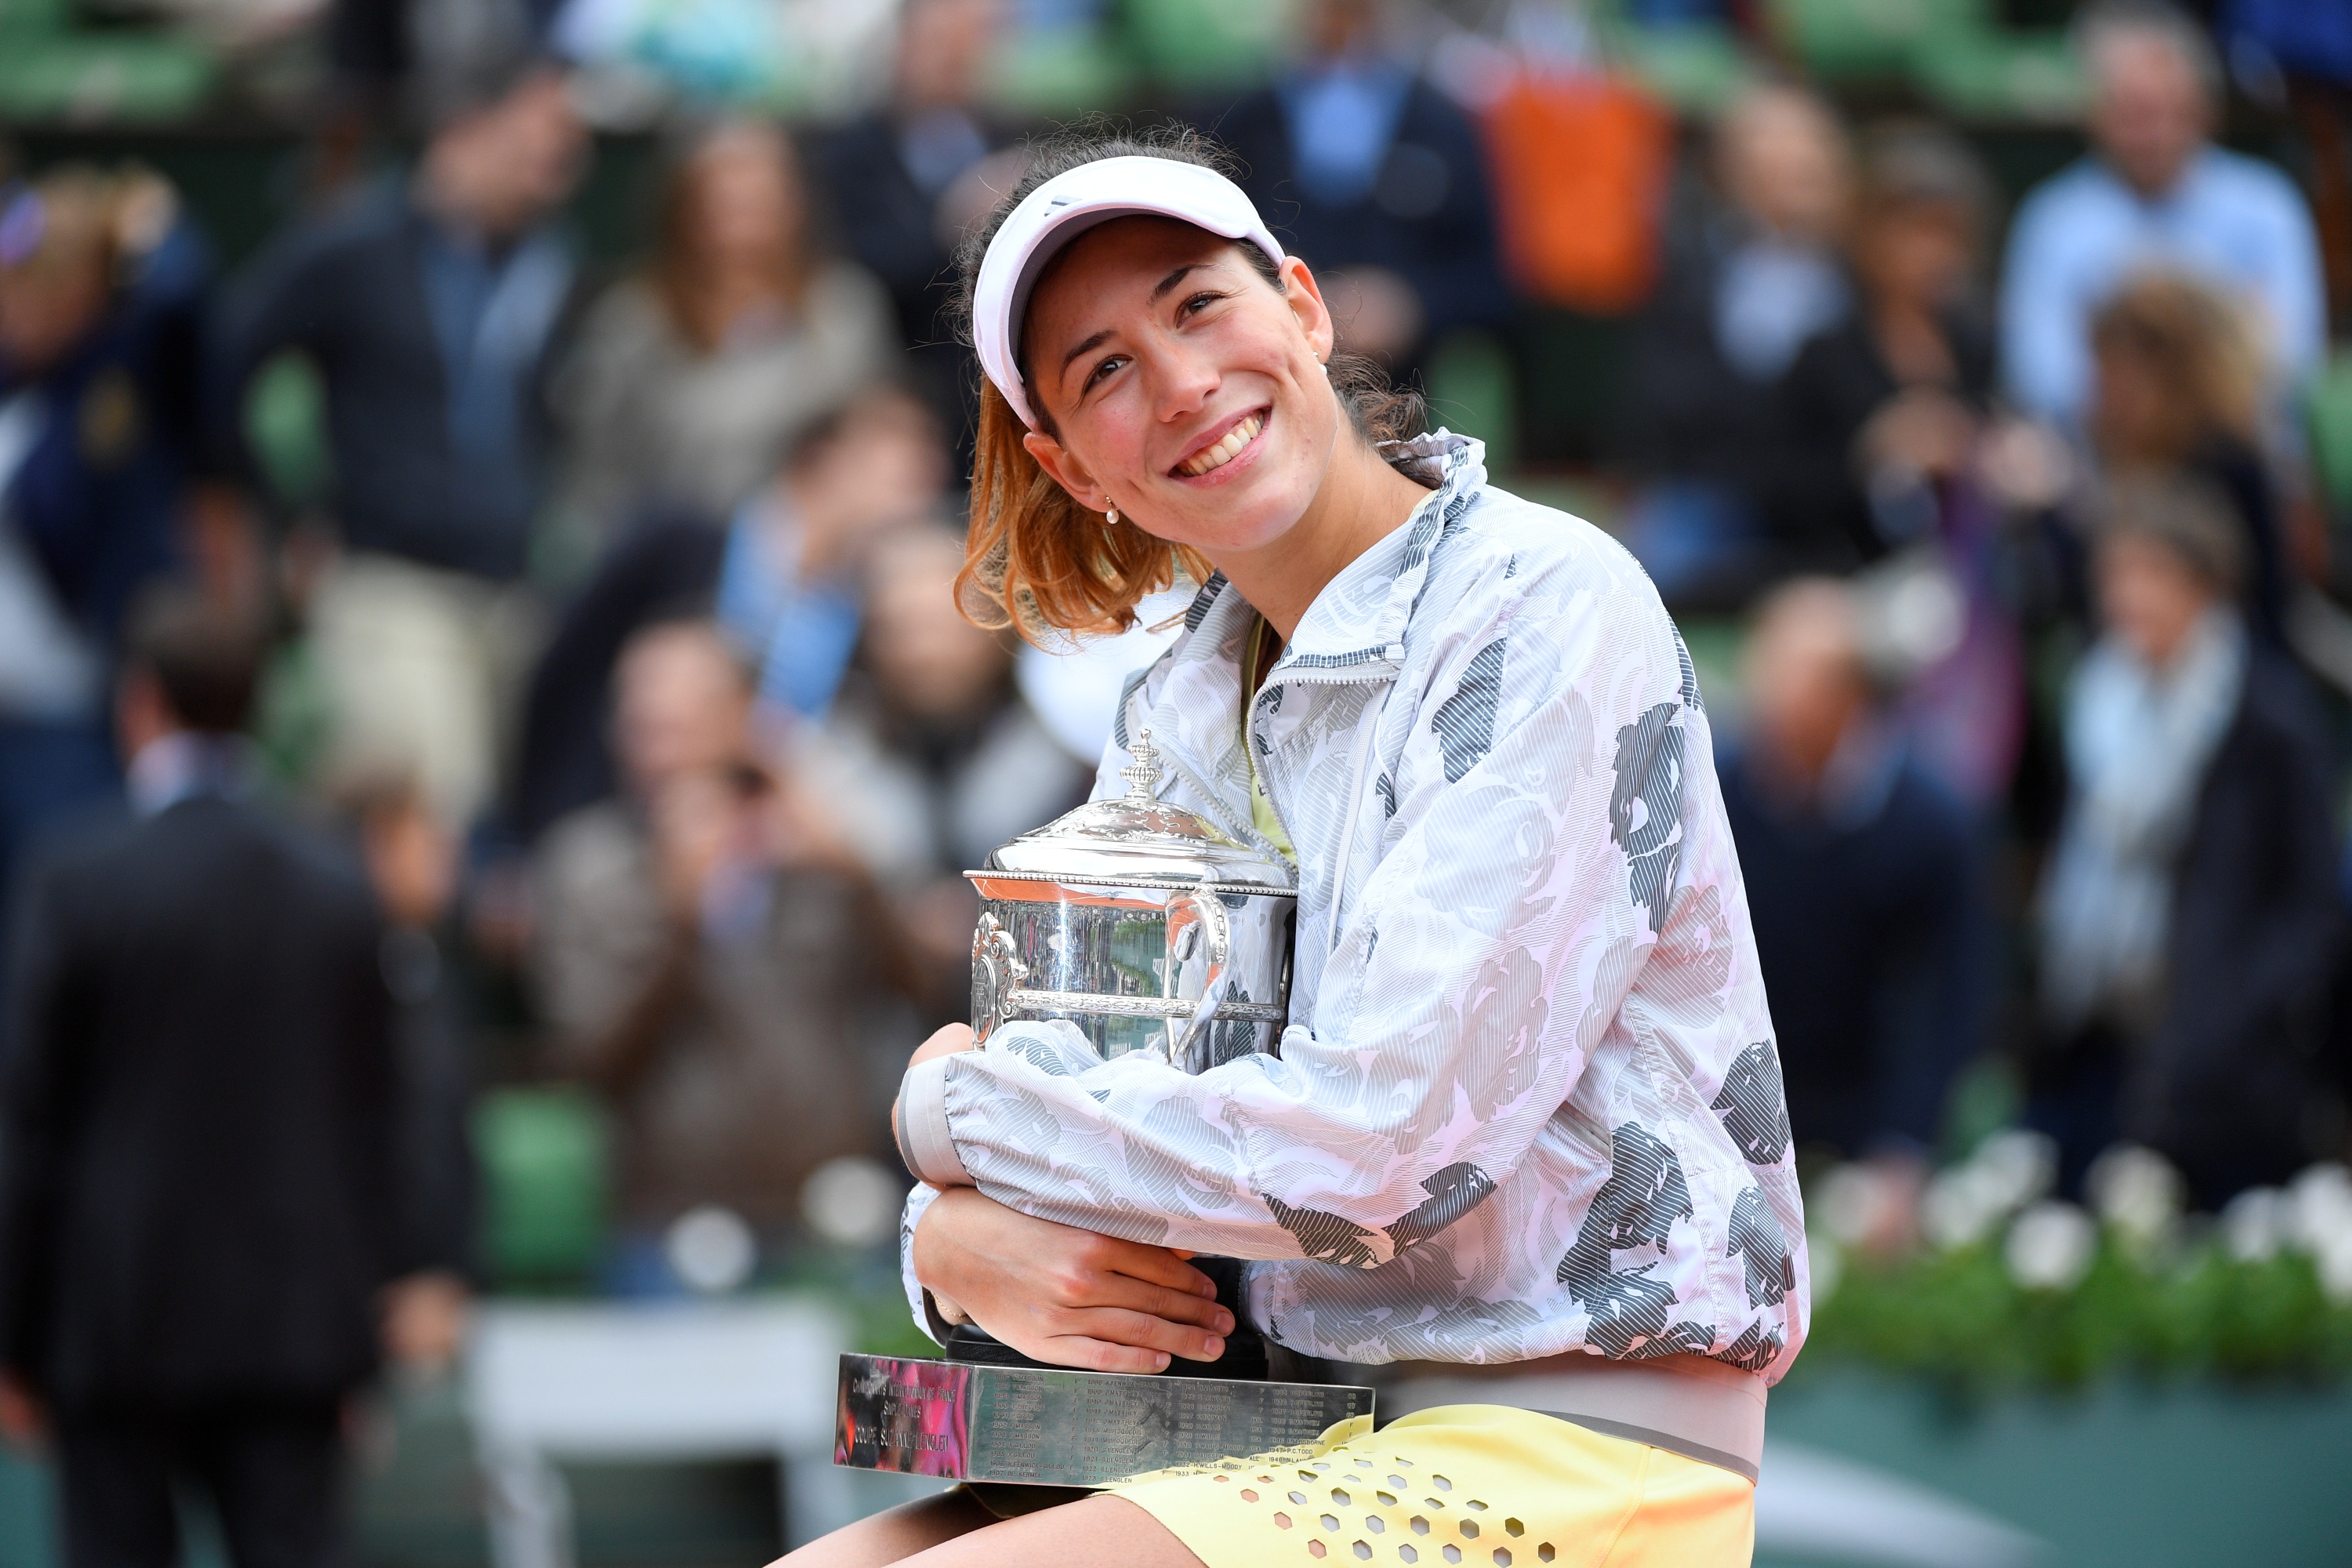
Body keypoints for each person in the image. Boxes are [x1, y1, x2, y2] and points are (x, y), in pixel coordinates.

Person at [780, 128, 1799, 1568]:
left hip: (1571, 1450)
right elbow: (1103, 1137)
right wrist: (950, 1248)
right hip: (1277, 1433)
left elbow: (1378, 1154)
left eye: (1200, 305)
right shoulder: (1175, 707)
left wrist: (947, 1118)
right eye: (1105, 369)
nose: (1182, 379)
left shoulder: (1549, 600)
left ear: (1305, 310)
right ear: (1073, 469)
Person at [0, 586, 463, 1568]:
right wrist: (381, 1294)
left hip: (114, 1317)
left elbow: (27, 1120)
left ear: (140, 703)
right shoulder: (340, 886)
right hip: (295, 1328)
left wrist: (15, 1333)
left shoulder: (77, 879)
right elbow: (383, 1110)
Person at [211, 61, 590, 830]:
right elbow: (224, 361)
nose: (547, 176)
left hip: (516, 593)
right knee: (435, 823)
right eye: (528, 149)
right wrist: (288, 516)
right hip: (393, 588)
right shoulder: (353, 251)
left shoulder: (551, 265)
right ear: (460, 137)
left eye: (564, 157)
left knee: (515, 832)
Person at [530, 620, 924, 1287]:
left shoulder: (813, 848)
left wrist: (855, 870)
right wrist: (680, 917)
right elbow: (587, 1060)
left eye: (679, 719)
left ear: (747, 718)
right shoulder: (586, 865)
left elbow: (918, 990)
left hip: (834, 1216)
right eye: (639, 717)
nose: (653, 741)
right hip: (667, 1227)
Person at [2030, 477, 2339, 1208]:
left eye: (2149, 575)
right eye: (2115, 576)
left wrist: (2241, 1010)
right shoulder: (2094, 705)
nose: (2125, 599)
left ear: (2208, 586)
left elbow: (2311, 905)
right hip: (2102, 1041)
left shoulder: (2271, 722)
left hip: (2229, 1069)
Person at [512, 384, 947, 840]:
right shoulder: (676, 544)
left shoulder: (868, 616)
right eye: (902, 463)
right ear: (822, 458)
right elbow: (566, 677)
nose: (923, 486)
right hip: (612, 829)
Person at [1716, 579, 1987, 1247]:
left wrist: (1903, 1148)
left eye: (1795, 681)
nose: (1768, 700)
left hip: (1871, 1129)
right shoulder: (1714, 788)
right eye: (1766, 671)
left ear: (1850, 699)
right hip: (1737, 1117)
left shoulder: (1931, 821)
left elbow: (1953, 995)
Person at [550, 120, 897, 565]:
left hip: (818, 560)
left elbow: (875, 441)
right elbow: (596, 472)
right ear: (684, 211)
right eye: (724, 206)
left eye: (761, 206)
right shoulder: (632, 322)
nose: (745, 229)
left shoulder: (844, 311)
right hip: (665, 558)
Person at [0, 169, 208, 902]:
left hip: (70, 719)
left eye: (33, 291)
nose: (14, 311)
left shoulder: (123, 376)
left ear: (80, 295)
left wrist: (149, 225)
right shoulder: (12, 385)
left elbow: (185, 299)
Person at [801, 524, 1092, 1010]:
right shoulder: (821, 776)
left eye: (943, 621)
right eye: (901, 626)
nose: (923, 649)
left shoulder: (1067, 763)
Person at [1999, 0, 2325, 429]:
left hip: (2237, 449)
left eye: (2164, 111)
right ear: (2094, 117)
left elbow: (2294, 360)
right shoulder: (2052, 219)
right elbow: (2040, 380)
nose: (2150, 133)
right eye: (2131, 114)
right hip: (2100, 463)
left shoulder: (2265, 205)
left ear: (2204, 112)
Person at [1623, 83, 1855, 607]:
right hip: (1721, 491)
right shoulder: (1693, 273)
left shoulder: (1866, 275)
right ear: (1732, 174)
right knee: (1651, 570)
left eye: (1807, 165)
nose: (1792, 183)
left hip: (1837, 498)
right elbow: (1668, 401)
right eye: (1770, 164)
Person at [1207, 0, 1508, 373]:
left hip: (1398, 392)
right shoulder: (1238, 122)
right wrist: (1267, 275)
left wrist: (1410, 304)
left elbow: (1490, 282)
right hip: (1266, 374)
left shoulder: (1441, 126)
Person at [1771, 125, 1998, 570]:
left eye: (1952, 235)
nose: (1938, 254)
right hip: (1850, 574)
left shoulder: (1978, 346)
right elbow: (1783, 495)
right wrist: (1873, 453)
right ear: (1869, 237)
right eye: (1920, 232)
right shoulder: (1824, 358)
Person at [808, 0, 1013, 447]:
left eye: (965, 48)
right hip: (911, 362)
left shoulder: (1008, 135)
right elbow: (861, 265)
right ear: (900, 49)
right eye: (937, 46)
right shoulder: (851, 154)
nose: (951, 61)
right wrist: (955, 223)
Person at [2084, 270, 2288, 644]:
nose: (2103, 392)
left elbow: (2266, 601)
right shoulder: (2108, 453)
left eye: (2116, 374)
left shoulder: (2228, 464)